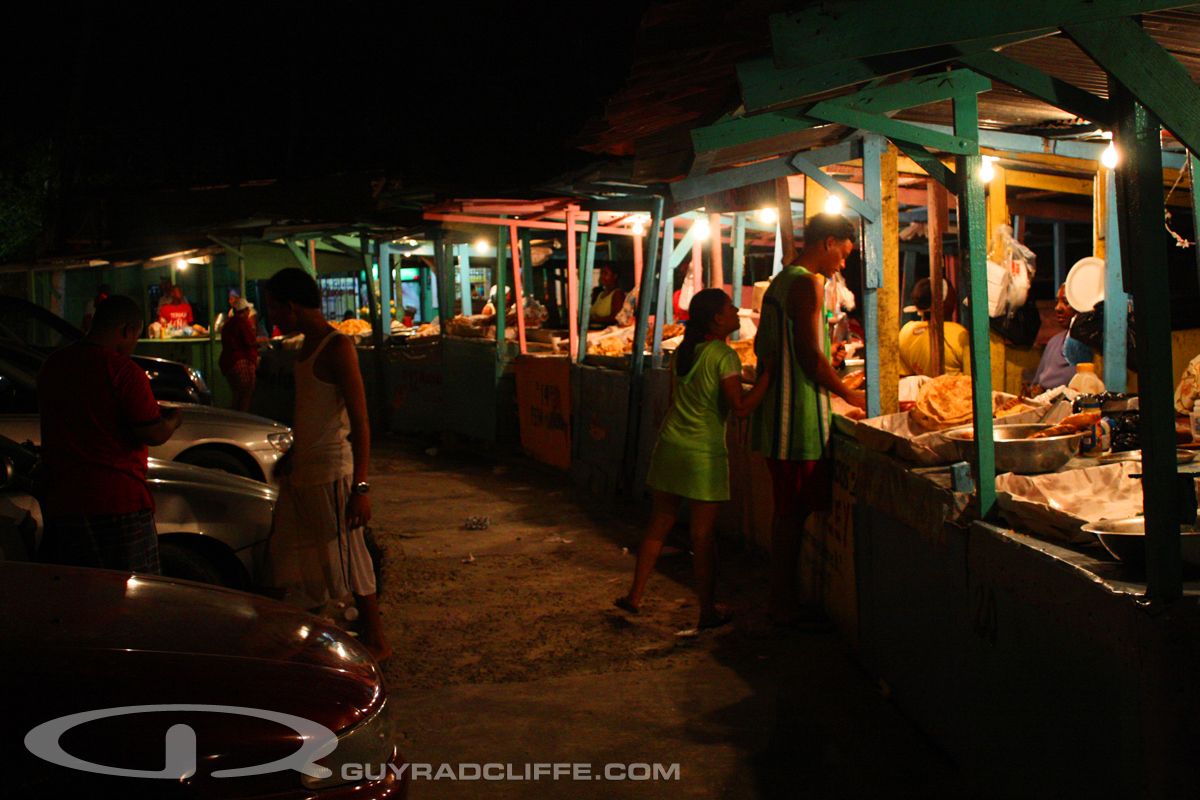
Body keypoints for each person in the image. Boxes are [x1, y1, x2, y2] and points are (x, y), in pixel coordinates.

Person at [615, 288, 772, 630]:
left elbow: (673, 401)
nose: (736, 311)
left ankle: (634, 596)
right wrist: (768, 378)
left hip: (670, 444)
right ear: (717, 318)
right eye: (730, 307)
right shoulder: (723, 355)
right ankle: (706, 611)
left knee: (659, 522)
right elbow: (741, 408)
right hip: (703, 452)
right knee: (702, 536)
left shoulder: (683, 353)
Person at [260, 267, 391, 662]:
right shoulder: (305, 348)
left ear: (292, 306)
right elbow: (311, 415)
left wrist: (361, 488)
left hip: (332, 472)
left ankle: (377, 641)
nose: (273, 319)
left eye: (274, 310)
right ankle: (301, 637)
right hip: (304, 472)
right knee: (287, 558)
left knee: (349, 559)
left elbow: (361, 422)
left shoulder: (338, 347)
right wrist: (291, 456)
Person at [750, 213, 867, 626]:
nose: (843, 264)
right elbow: (808, 356)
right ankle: (781, 603)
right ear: (828, 242)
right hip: (793, 420)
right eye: (844, 255)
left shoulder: (782, 280)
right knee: (790, 515)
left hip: (779, 416)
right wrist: (848, 392)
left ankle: (783, 598)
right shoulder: (807, 282)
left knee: (788, 514)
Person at [35, 295, 183, 573]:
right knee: (132, 596)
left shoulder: (53, 366)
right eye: (135, 337)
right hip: (117, 502)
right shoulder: (123, 371)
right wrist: (174, 420)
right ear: (127, 331)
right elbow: (153, 432)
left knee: (79, 599)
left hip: (63, 503)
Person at [898, 278, 972, 377]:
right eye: (950, 290)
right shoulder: (959, 335)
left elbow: (903, 377)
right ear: (943, 303)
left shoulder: (906, 332)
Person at [1032, 282, 1094, 393]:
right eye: (1057, 302)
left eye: (1066, 303)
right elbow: (1037, 384)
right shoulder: (1054, 342)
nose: (1058, 308)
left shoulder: (1090, 347)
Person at [219, 297, 259, 412]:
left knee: (236, 394)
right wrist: (262, 340)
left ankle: (235, 419)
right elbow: (250, 341)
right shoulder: (242, 322)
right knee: (246, 394)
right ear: (245, 310)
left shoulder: (228, 323)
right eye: (248, 310)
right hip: (241, 361)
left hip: (228, 363)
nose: (249, 312)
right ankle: (244, 420)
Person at [589, 264, 625, 328]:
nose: (602, 276)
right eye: (601, 273)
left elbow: (616, 317)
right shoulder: (601, 294)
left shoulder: (617, 294)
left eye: (605, 273)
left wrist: (593, 319)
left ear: (615, 276)